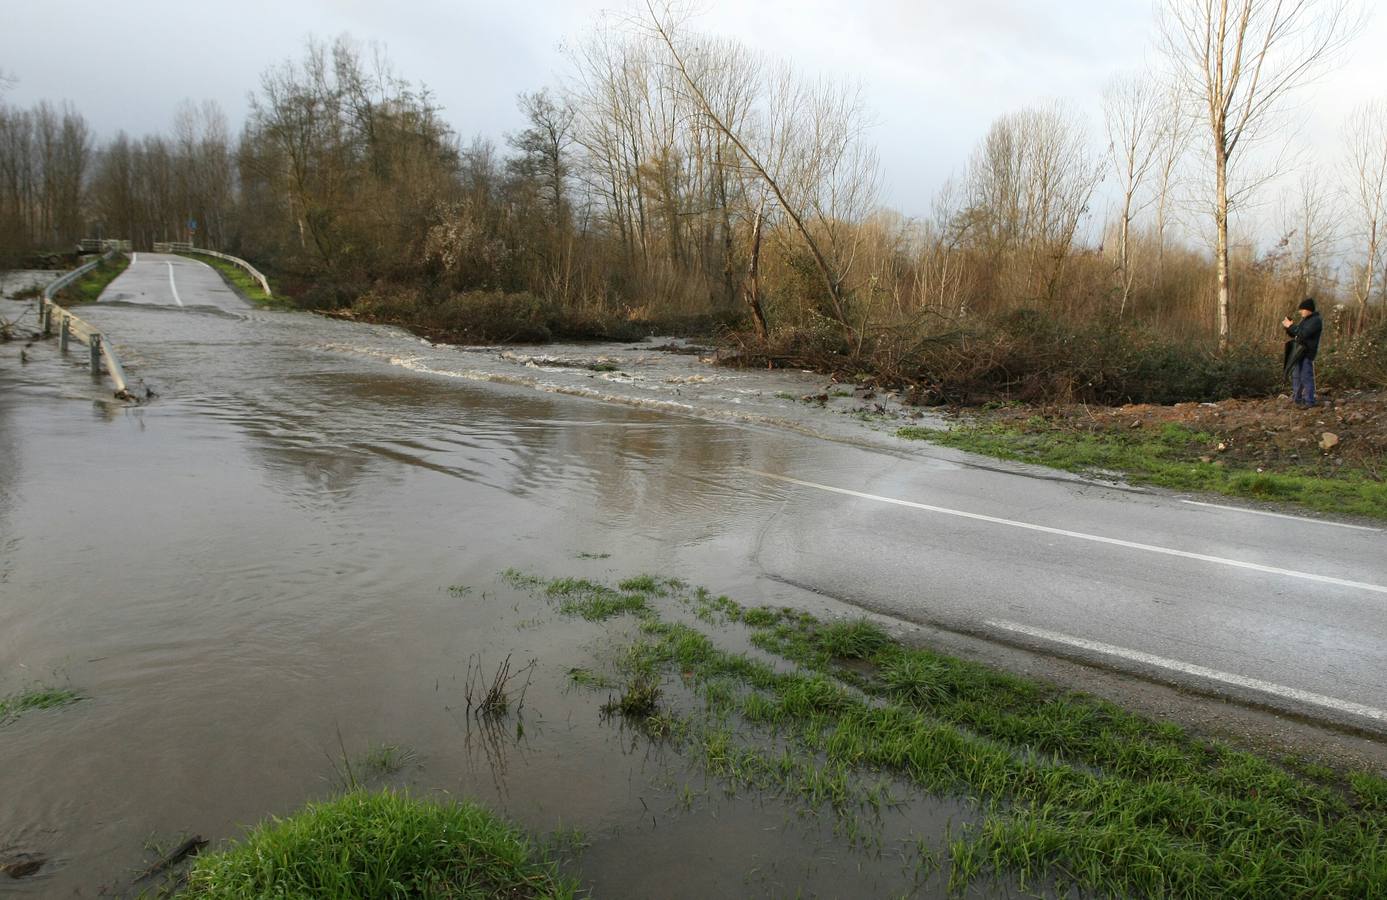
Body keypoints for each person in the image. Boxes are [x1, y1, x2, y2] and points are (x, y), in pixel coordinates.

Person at [1282, 298, 1322, 408]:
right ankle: (1297, 400)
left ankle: (1310, 401)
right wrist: (1288, 327)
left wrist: (1291, 326)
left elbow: (1303, 334)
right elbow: (1296, 334)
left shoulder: (1315, 321)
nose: (1300, 312)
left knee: (1306, 377)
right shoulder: (1306, 320)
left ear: (1308, 309)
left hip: (1307, 353)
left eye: (1302, 309)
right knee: (1296, 377)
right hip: (1299, 353)